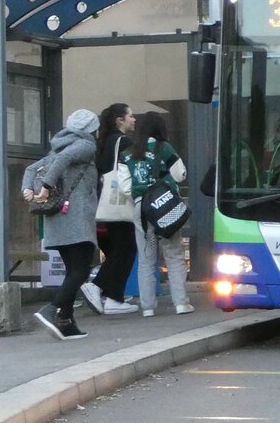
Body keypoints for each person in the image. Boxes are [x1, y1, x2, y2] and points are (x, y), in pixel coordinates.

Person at [22, 109, 101, 341]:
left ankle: (65, 322)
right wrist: (46, 185)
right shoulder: (86, 146)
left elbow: (30, 169)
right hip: (76, 218)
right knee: (82, 270)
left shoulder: (57, 145)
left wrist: (28, 190)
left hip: (57, 218)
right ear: (91, 130)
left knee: (72, 271)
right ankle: (52, 308)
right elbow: (62, 161)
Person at [118, 111, 193, 317]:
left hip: (142, 211)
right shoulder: (165, 148)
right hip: (165, 209)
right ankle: (181, 303)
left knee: (146, 259)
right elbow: (180, 175)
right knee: (174, 255)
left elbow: (125, 188)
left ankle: (148, 307)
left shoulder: (127, 154)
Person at [80, 103, 138, 316]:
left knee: (115, 251)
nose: (134, 120)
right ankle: (100, 289)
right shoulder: (124, 142)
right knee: (127, 249)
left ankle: (113, 295)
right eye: (130, 116)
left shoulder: (100, 142)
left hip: (98, 206)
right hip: (118, 205)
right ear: (119, 120)